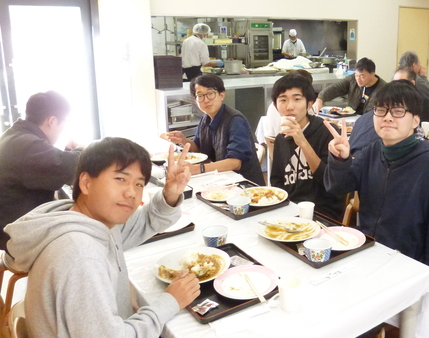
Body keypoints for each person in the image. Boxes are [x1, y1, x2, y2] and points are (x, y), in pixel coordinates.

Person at [3, 138, 201, 337]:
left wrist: (170, 193)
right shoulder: (81, 256)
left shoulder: (85, 221)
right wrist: (170, 301)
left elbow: (142, 223)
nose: (132, 193)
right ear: (86, 183)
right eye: (120, 179)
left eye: (139, 184)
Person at [324, 80, 429, 289]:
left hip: (407, 264)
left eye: (397, 111)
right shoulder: (372, 150)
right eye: (381, 110)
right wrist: (341, 160)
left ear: (415, 120)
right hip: (367, 252)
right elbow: (337, 187)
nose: (387, 117)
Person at [0, 91, 83, 251]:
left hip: (10, 227)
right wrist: (82, 149)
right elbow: (69, 168)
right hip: (14, 237)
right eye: (63, 124)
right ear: (52, 121)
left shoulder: (14, 137)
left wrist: (69, 152)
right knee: (86, 230)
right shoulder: (28, 146)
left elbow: (53, 166)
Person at [166, 74, 265, 185]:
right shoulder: (205, 118)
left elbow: (235, 163)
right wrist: (183, 140)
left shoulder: (235, 120)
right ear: (195, 100)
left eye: (210, 94)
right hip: (219, 179)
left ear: (222, 95)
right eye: (200, 96)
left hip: (243, 184)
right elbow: (199, 147)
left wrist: (198, 169)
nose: (206, 100)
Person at [270, 73, 344, 220]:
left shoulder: (327, 132)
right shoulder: (280, 139)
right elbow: (277, 181)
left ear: (309, 104)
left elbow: (331, 182)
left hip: (322, 213)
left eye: (297, 99)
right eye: (283, 100)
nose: (289, 106)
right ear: (275, 106)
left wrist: (303, 142)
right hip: (289, 211)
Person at [313, 57, 386, 115]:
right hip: (351, 117)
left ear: (373, 74)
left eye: (362, 76)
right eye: (356, 75)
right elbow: (336, 88)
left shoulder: (383, 89)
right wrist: (320, 98)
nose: (358, 79)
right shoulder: (352, 79)